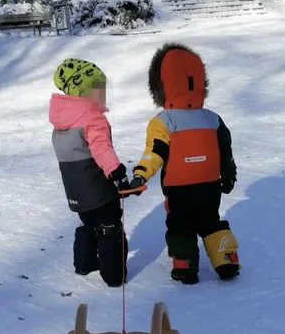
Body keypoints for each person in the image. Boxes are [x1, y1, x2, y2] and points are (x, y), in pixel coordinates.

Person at [127, 42, 241, 285]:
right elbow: (225, 149)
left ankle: (185, 266)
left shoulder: (163, 122)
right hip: (210, 183)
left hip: (178, 186)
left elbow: (155, 152)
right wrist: (228, 173)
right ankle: (226, 259)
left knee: (180, 223)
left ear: (160, 86)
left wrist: (140, 176)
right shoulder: (212, 119)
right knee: (210, 218)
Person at [49, 58, 130, 287]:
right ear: (84, 91)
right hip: (98, 187)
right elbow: (101, 148)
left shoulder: (61, 121)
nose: (102, 93)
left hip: (75, 190)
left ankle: (84, 264)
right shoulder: (92, 118)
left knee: (88, 224)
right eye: (98, 88)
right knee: (109, 227)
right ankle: (114, 276)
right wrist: (117, 173)